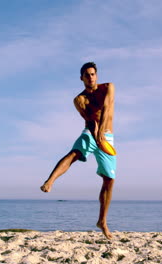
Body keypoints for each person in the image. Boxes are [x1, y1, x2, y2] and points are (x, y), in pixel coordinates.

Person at [40, 61, 116, 239]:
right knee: (75, 153)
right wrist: (95, 132)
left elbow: (106, 108)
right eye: (87, 75)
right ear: (81, 78)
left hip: (107, 137)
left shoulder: (108, 87)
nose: (90, 77)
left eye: (93, 74)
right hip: (91, 133)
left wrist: (102, 134)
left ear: (96, 75)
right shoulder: (79, 100)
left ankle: (102, 221)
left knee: (109, 180)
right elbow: (90, 119)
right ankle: (50, 181)